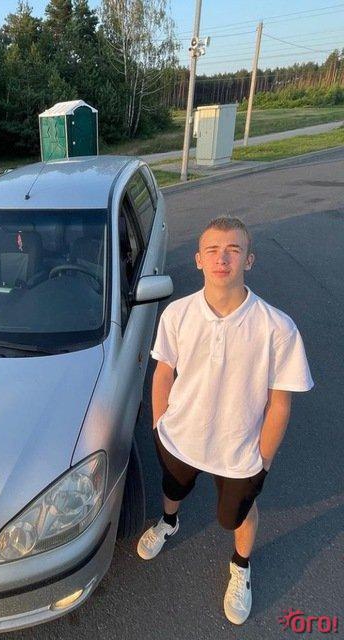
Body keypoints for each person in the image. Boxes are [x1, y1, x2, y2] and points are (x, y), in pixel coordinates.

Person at [136, 216, 313, 625]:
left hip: (240, 452)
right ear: (199, 259)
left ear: (249, 260)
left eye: (233, 250)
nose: (222, 259)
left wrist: (263, 460)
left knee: (237, 515)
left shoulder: (277, 327)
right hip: (179, 438)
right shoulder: (177, 314)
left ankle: (241, 566)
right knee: (173, 488)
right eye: (213, 250)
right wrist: (159, 425)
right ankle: (168, 522)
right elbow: (163, 371)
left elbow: (280, 404)